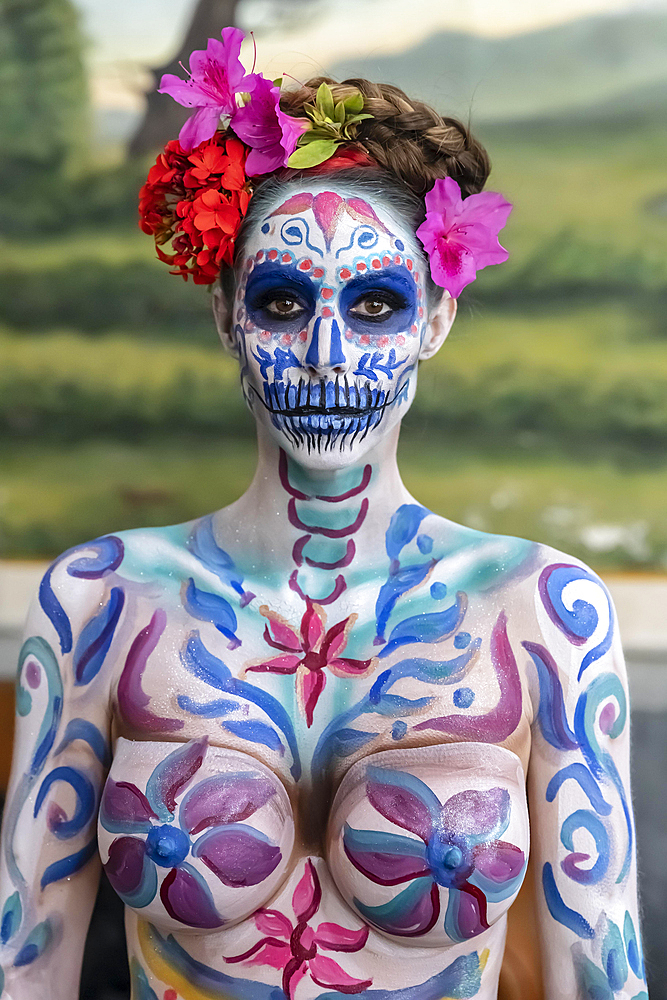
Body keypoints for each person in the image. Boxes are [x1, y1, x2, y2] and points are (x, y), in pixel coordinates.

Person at [0, 27, 646, 1000]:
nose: (328, 356)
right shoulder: (101, 603)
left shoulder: (544, 611)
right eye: (282, 300)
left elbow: (602, 975)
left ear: (437, 316)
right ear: (225, 313)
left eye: (377, 304)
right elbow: (23, 966)